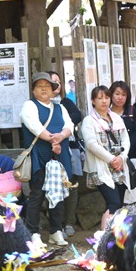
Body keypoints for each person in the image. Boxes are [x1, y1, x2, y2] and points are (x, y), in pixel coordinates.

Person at [20, 72, 74, 246]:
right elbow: (34, 126)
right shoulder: (29, 105)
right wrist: (53, 139)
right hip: (39, 154)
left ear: (53, 90)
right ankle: (33, 232)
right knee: (37, 193)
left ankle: (55, 230)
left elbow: (70, 126)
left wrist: (60, 136)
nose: (43, 89)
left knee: (57, 194)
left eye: (47, 86)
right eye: (39, 86)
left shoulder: (60, 108)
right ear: (34, 90)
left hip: (59, 155)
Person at [81, 85, 131, 230]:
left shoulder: (116, 118)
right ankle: (104, 238)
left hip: (119, 165)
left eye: (107, 97)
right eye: (100, 98)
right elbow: (91, 144)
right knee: (113, 202)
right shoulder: (89, 121)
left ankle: (114, 236)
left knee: (119, 203)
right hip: (101, 166)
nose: (104, 101)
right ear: (93, 101)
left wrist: (122, 157)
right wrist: (111, 159)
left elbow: (125, 139)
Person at [48, 71, 83, 237]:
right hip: (50, 147)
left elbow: (78, 115)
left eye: (59, 82)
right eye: (53, 81)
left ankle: (69, 222)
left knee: (71, 185)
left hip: (69, 146)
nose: (57, 85)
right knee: (53, 186)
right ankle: (56, 225)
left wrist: (63, 126)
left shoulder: (65, 102)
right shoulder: (38, 105)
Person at [110, 81, 136, 204]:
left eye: (123, 94)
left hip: (133, 157)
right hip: (111, 159)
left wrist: (124, 154)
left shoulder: (132, 111)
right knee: (115, 196)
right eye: (117, 94)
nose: (120, 97)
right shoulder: (106, 112)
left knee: (133, 196)